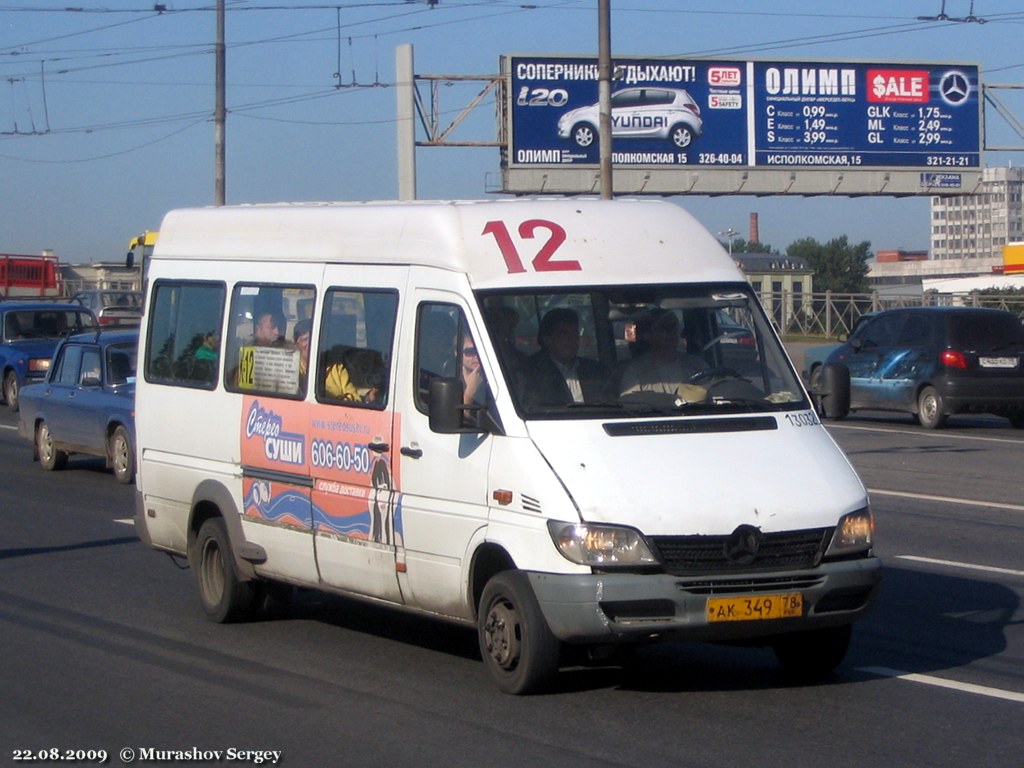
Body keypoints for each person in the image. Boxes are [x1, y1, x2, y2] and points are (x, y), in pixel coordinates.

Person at [520, 307, 612, 407]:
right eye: (563, 334)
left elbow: (610, 405)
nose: (571, 339)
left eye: (574, 333)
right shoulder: (531, 373)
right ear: (547, 339)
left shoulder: (596, 370)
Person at [619, 309, 706, 397]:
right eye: (665, 328)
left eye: (674, 327)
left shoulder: (697, 365)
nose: (671, 333)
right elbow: (632, 407)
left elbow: (714, 394)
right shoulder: (635, 372)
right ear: (649, 335)